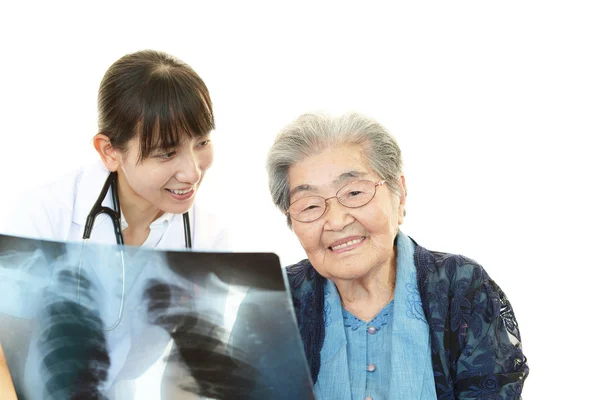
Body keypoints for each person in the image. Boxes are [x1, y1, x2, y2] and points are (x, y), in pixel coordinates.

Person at [0, 49, 230, 398]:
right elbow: (2, 353)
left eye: (202, 143)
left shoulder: (209, 238)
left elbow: (189, 372)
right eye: (166, 153)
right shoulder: (44, 213)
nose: (192, 172)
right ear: (109, 151)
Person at [266, 112, 529, 399]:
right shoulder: (272, 301)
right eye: (310, 205)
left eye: (354, 192)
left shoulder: (462, 287)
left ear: (399, 194)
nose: (337, 221)